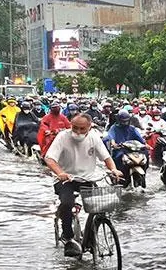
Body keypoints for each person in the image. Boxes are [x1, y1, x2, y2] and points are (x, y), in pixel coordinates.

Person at [44, 114, 123, 257]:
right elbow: (49, 158)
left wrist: (114, 169)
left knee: (99, 205)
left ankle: (90, 235)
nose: (78, 132)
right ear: (70, 126)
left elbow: (106, 157)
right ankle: (67, 236)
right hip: (65, 179)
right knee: (67, 203)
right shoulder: (63, 136)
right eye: (75, 128)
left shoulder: (94, 137)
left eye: (82, 129)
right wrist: (60, 173)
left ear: (89, 127)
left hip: (86, 179)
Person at [103, 110, 147, 183]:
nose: (125, 123)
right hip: (120, 150)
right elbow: (111, 137)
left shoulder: (132, 128)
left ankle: (144, 172)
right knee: (117, 158)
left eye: (126, 121)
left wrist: (145, 144)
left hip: (133, 150)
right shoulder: (114, 128)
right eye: (123, 121)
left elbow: (140, 139)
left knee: (145, 154)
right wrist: (114, 144)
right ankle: (118, 176)